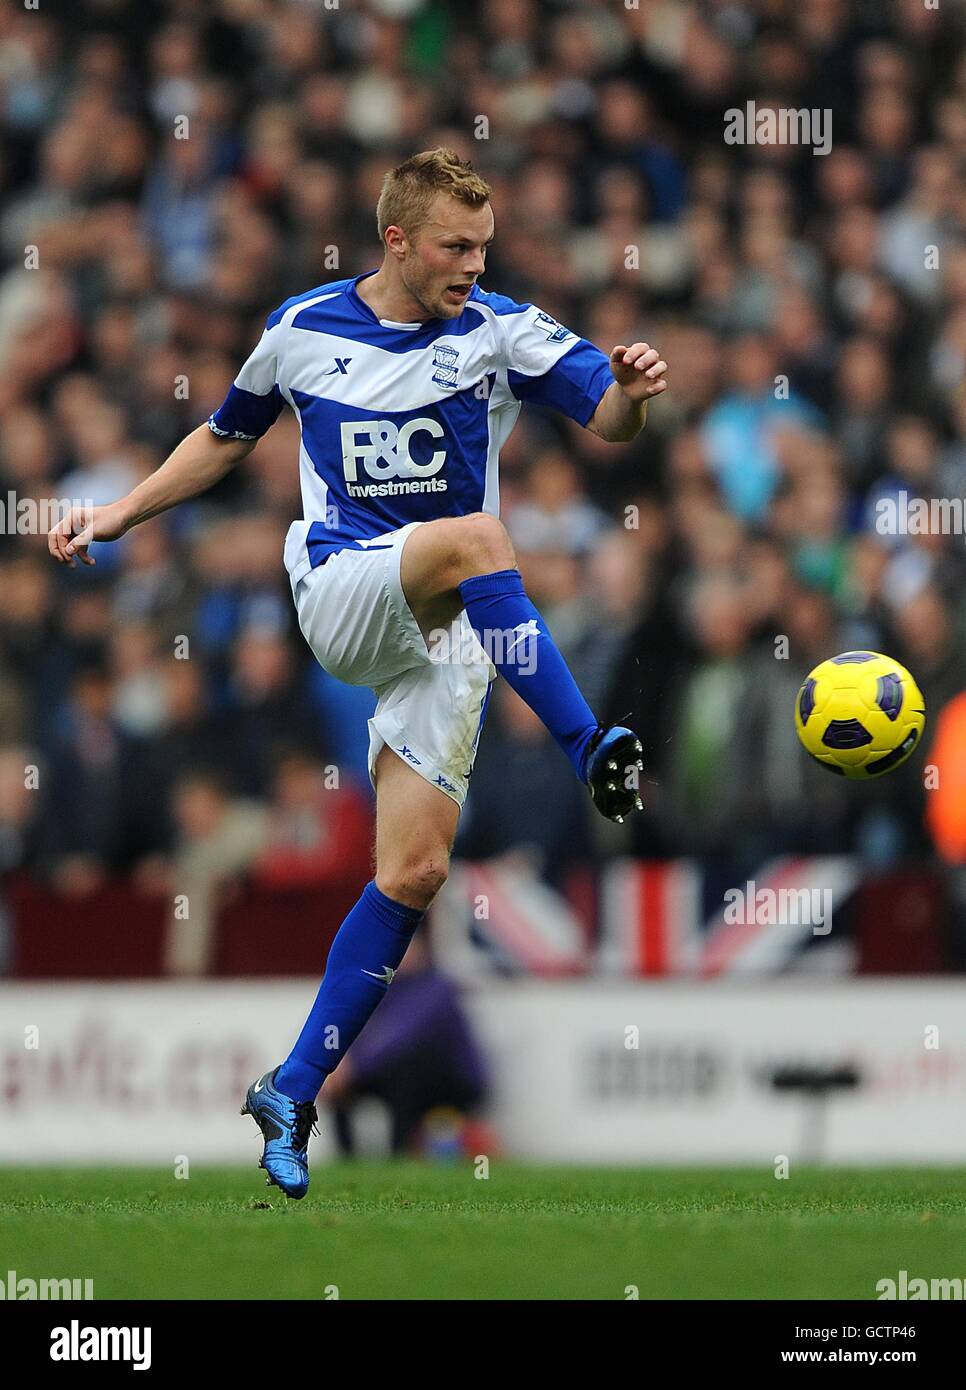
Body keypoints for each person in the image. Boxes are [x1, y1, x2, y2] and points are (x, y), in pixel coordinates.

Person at [48, 148, 669, 1198]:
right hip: (344, 590)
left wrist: (633, 390)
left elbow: (606, 419)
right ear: (396, 240)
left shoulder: (500, 332)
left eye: (485, 245)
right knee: (478, 533)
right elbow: (222, 438)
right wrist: (114, 512)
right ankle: (587, 742)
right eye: (455, 246)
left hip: (449, 635)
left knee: (414, 872)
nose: (476, 263)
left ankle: (292, 1087)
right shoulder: (301, 329)